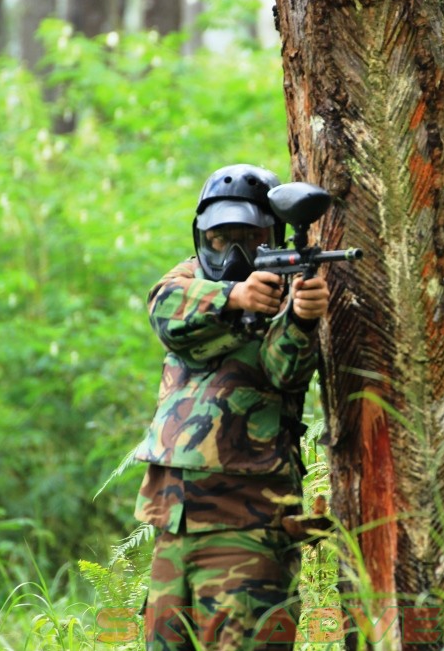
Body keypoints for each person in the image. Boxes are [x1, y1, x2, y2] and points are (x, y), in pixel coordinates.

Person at [133, 164, 330, 650]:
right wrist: (234, 296)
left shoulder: (286, 290)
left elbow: (285, 373)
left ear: (272, 234)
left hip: (248, 526)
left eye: (250, 237)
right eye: (222, 239)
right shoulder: (189, 281)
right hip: (173, 523)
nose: (234, 252)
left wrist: (302, 320)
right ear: (202, 237)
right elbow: (164, 311)